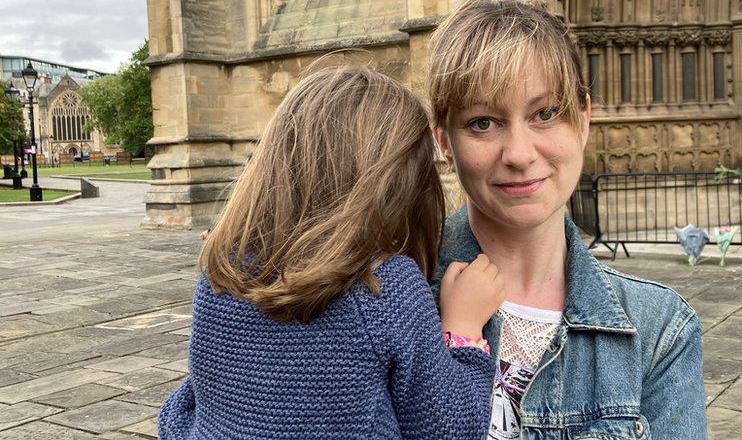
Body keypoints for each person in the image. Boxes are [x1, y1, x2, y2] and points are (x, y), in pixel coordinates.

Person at [158, 66, 505, 439]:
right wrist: (464, 329)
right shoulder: (385, 289)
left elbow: (189, 410)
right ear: (402, 185)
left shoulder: (220, 278)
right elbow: (452, 429)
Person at [427, 0, 706, 439]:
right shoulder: (389, 297)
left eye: (546, 113)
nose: (519, 154)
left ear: (584, 118)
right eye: (483, 122)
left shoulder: (659, 331)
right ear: (444, 142)